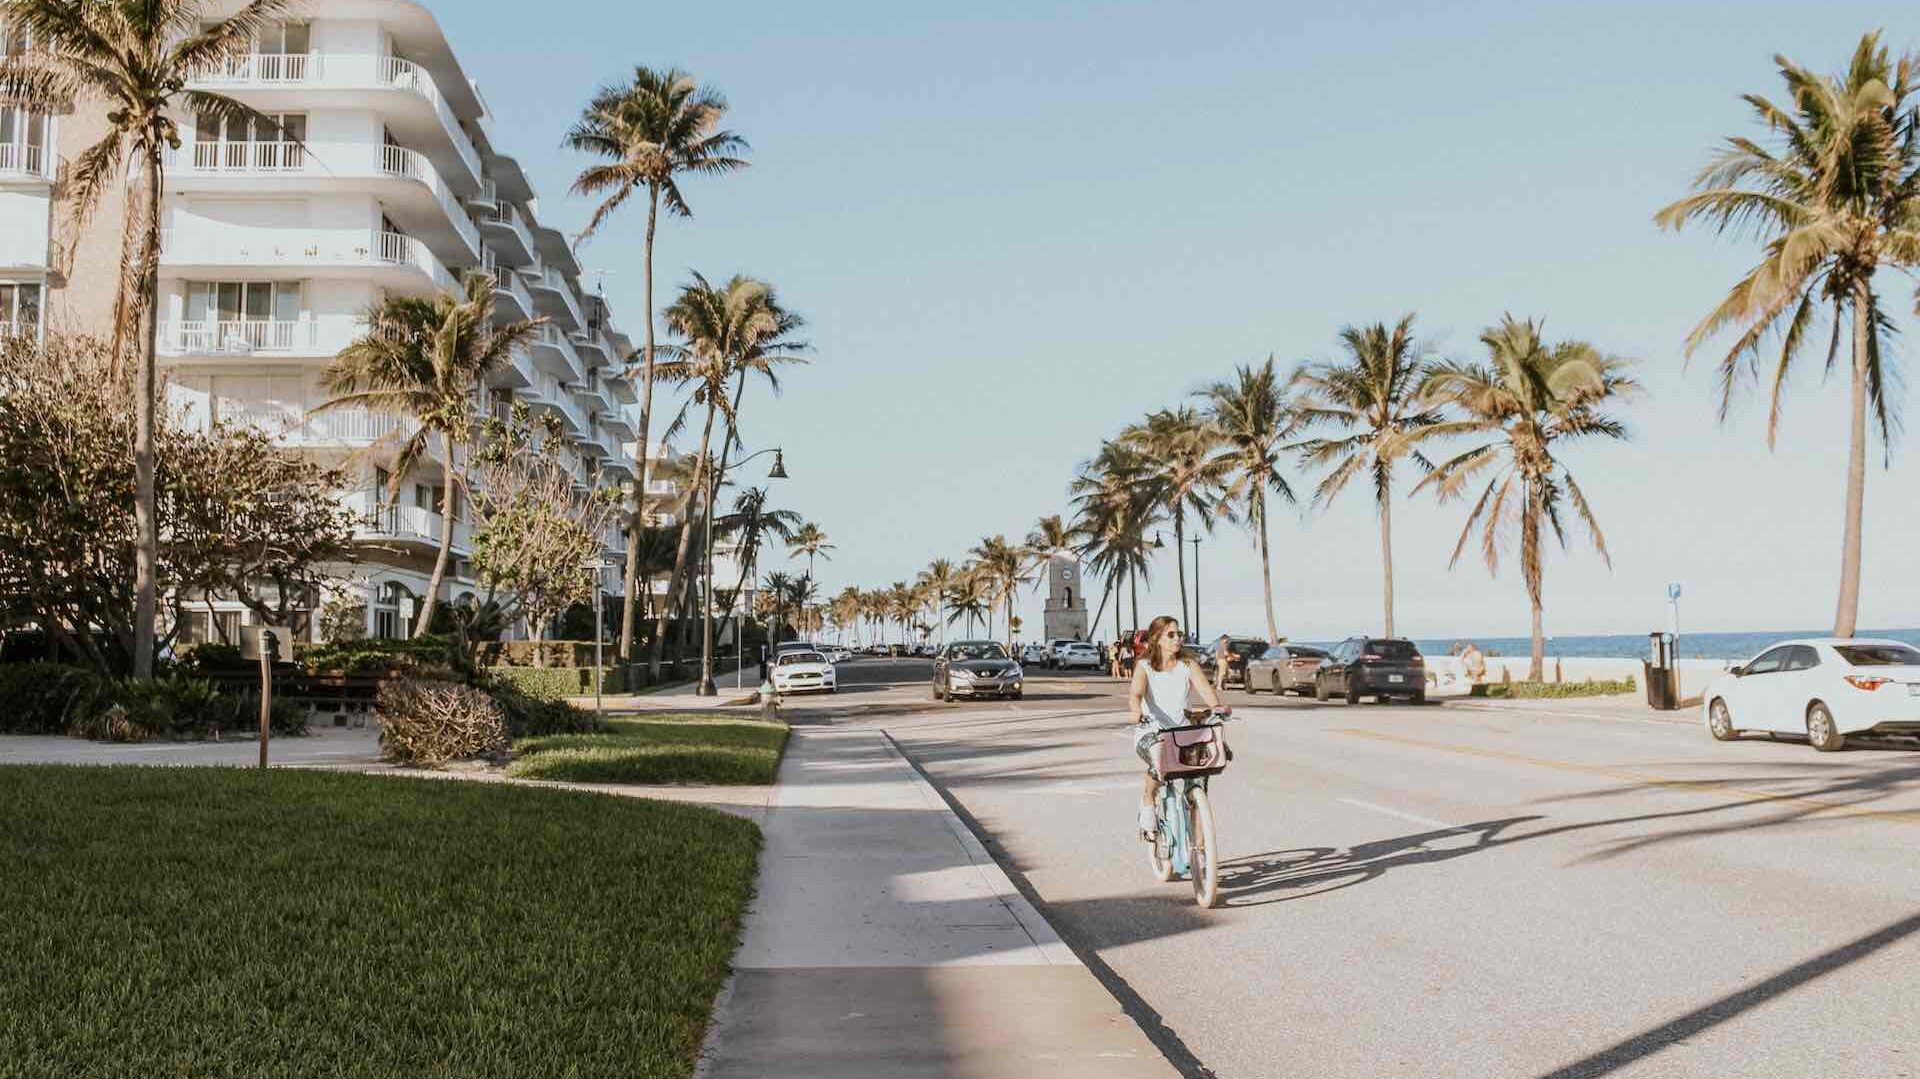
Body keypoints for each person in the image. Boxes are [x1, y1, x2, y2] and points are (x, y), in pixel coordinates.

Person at [1130, 614, 1228, 838]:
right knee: (1157, 764)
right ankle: (1147, 807)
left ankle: (1200, 844)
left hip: (1184, 734)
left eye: (1179, 634)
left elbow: (1206, 692)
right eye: (1171, 634)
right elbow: (1136, 694)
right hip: (1152, 731)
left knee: (1200, 778)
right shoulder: (1144, 666)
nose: (1177, 639)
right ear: (1156, 638)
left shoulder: (1188, 665)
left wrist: (1218, 708)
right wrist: (1136, 711)